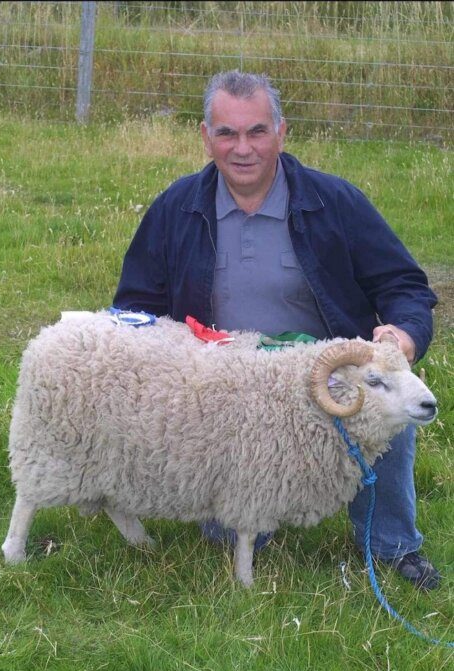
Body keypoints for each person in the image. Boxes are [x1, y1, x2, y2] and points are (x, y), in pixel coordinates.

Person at [112, 71, 440, 590]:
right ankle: (251, 514)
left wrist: (402, 333)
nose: (243, 148)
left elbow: (403, 283)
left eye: (257, 132)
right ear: (205, 136)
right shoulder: (177, 208)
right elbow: (135, 307)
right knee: (227, 535)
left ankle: (391, 544)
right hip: (227, 386)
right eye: (227, 133)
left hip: (327, 373)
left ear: (281, 133)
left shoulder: (335, 202)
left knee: (386, 408)